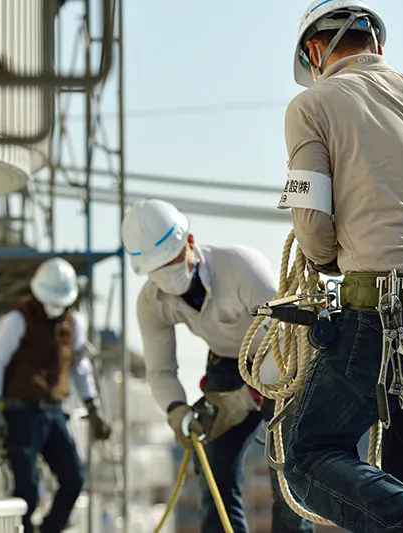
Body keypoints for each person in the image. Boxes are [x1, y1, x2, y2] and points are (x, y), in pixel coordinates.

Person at [278, 1, 403, 532]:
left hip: (383, 316)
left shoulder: (312, 104)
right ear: (378, 45)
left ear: (316, 51)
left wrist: (326, 257)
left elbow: (314, 229)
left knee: (309, 457)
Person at [120, 198, 313, 533]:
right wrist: (176, 410)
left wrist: (250, 394)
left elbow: (282, 335)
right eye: (158, 269)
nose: (168, 273)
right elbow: (161, 369)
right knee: (212, 465)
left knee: (286, 477)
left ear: (190, 242)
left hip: (278, 360)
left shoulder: (240, 267)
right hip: (226, 363)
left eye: (173, 260)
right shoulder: (152, 304)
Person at [0, 257, 112, 533]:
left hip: (53, 411)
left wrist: (93, 406)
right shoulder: (18, 320)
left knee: (73, 478)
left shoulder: (74, 323)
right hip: (21, 412)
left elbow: (79, 366)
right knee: (25, 488)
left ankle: (49, 530)